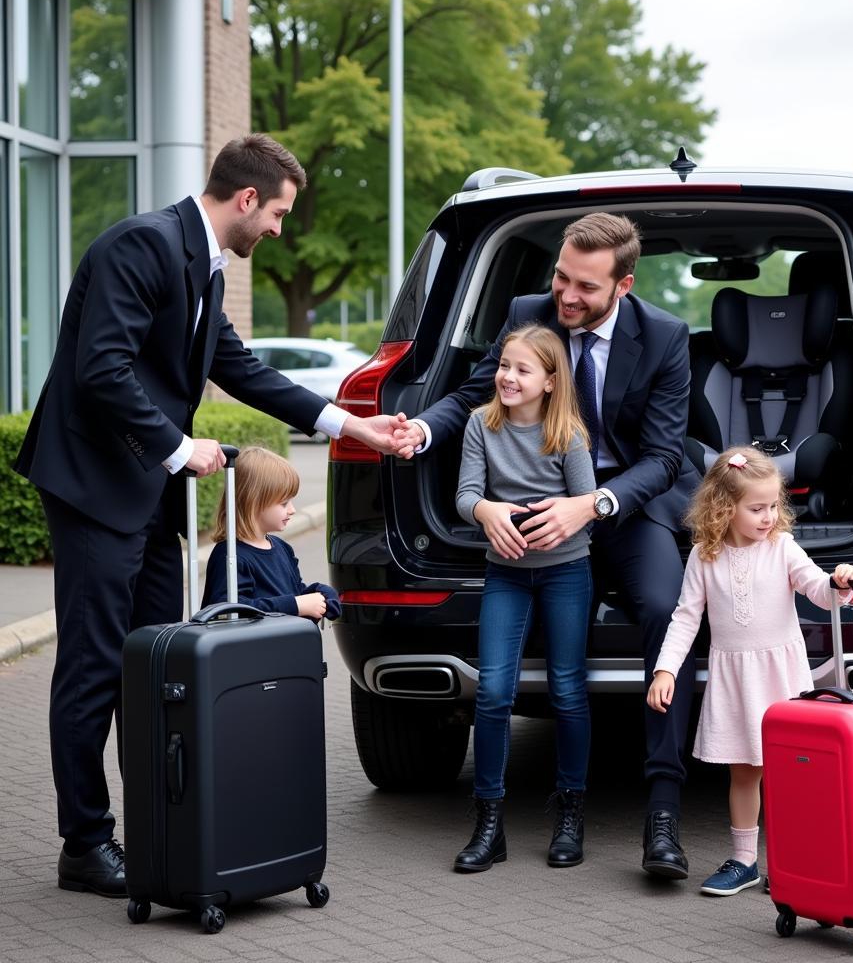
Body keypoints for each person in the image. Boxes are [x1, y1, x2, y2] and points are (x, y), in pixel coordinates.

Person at [15, 133, 402, 897]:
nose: (280, 232)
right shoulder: (143, 244)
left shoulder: (206, 268)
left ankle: (163, 829)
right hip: (96, 487)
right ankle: (84, 844)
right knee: (95, 669)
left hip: (150, 496)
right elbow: (101, 369)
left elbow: (243, 369)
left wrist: (350, 426)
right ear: (249, 198)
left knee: (158, 668)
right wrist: (175, 446)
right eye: (280, 214)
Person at [380, 212, 700, 879]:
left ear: (624, 284)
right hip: (535, 511)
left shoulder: (664, 335)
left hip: (625, 503)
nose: (567, 296)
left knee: (665, 609)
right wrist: (424, 434)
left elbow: (666, 455)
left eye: (585, 286)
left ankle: (663, 812)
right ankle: (525, 807)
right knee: (547, 667)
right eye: (561, 277)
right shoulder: (530, 310)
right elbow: (473, 396)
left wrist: (591, 504)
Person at [647, 446, 853, 896]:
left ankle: (792, 857)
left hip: (780, 677)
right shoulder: (704, 556)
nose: (768, 517)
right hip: (735, 681)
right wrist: (666, 669)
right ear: (725, 508)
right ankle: (745, 861)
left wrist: (837, 582)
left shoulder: (782, 547)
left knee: (790, 771)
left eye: (773, 507)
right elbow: (686, 617)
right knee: (744, 773)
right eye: (757, 508)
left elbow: (816, 588)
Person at [449, 325, 595, 873]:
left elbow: (585, 506)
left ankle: (570, 814)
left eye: (523, 369)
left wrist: (562, 517)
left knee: (567, 690)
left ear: (551, 382)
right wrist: (485, 510)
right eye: (504, 366)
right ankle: (489, 822)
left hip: (565, 572)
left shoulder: (568, 437)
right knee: (491, 692)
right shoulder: (480, 426)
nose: (508, 377)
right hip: (506, 574)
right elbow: (466, 494)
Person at [202, 446, 341, 622]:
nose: (292, 510)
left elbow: (293, 592)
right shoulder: (230, 555)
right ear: (253, 504)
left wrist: (318, 593)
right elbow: (229, 610)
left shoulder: (282, 548)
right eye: (284, 503)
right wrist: (295, 605)